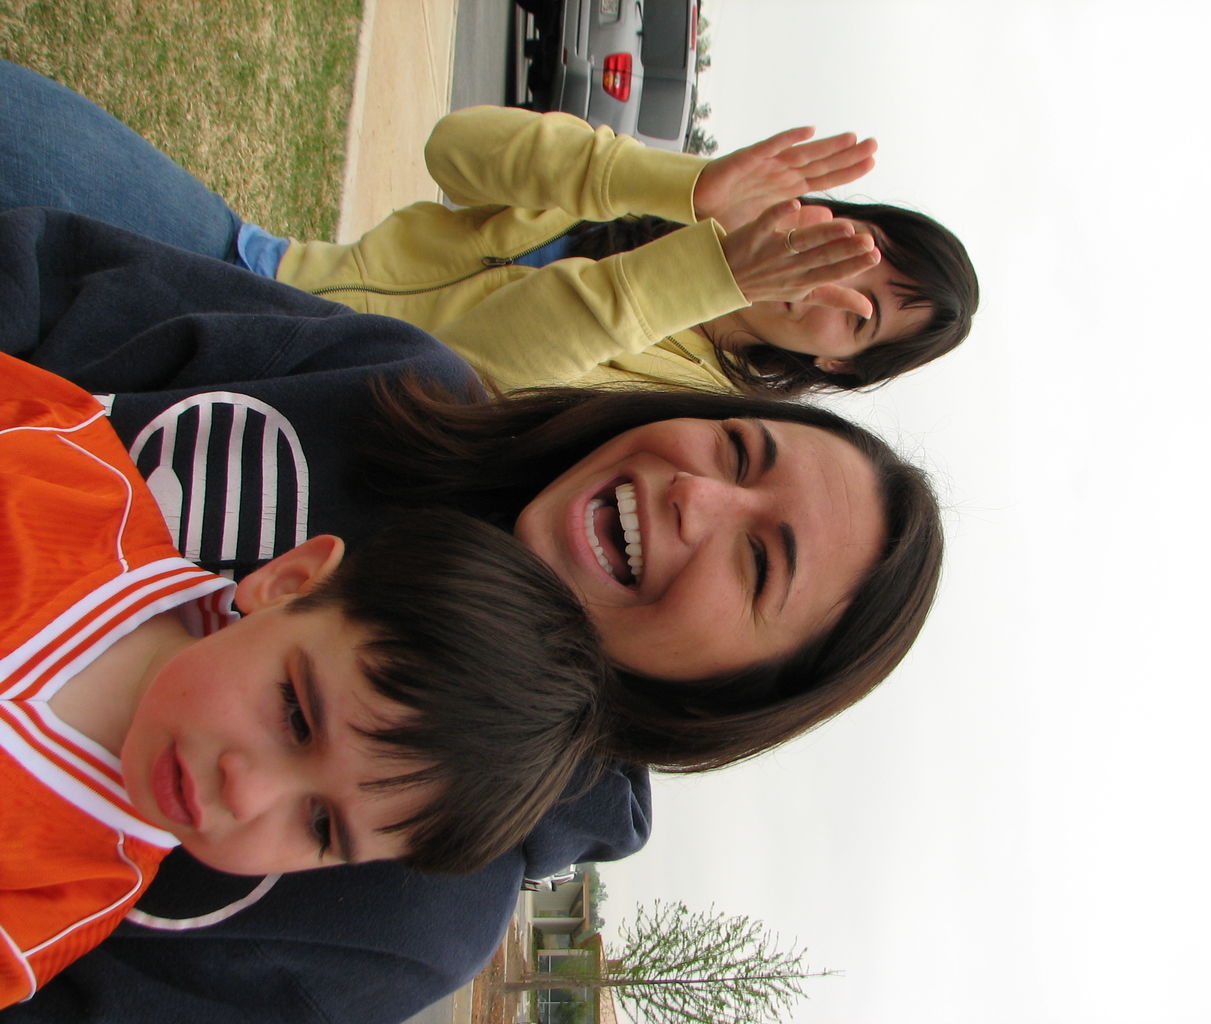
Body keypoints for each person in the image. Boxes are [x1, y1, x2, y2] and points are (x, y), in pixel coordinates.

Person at [0, 208, 942, 1020]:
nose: (699, 498)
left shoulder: (410, 913)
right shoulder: (393, 386)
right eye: (737, 451)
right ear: (292, 581)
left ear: (727, 694)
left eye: (757, 562)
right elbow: (58, 280)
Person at [0, 354, 610, 1007]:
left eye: (321, 826)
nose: (249, 791)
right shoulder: (63, 462)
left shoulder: (57, 908)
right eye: (297, 716)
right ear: (290, 582)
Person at [0, 59, 979, 397]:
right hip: (245, 260)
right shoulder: (665, 210)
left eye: (861, 319)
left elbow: (450, 370)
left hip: (271, 382)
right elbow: (456, 149)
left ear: (842, 370)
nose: (825, 286)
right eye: (854, 253)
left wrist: (708, 278)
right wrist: (682, 189)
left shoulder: (697, 411)